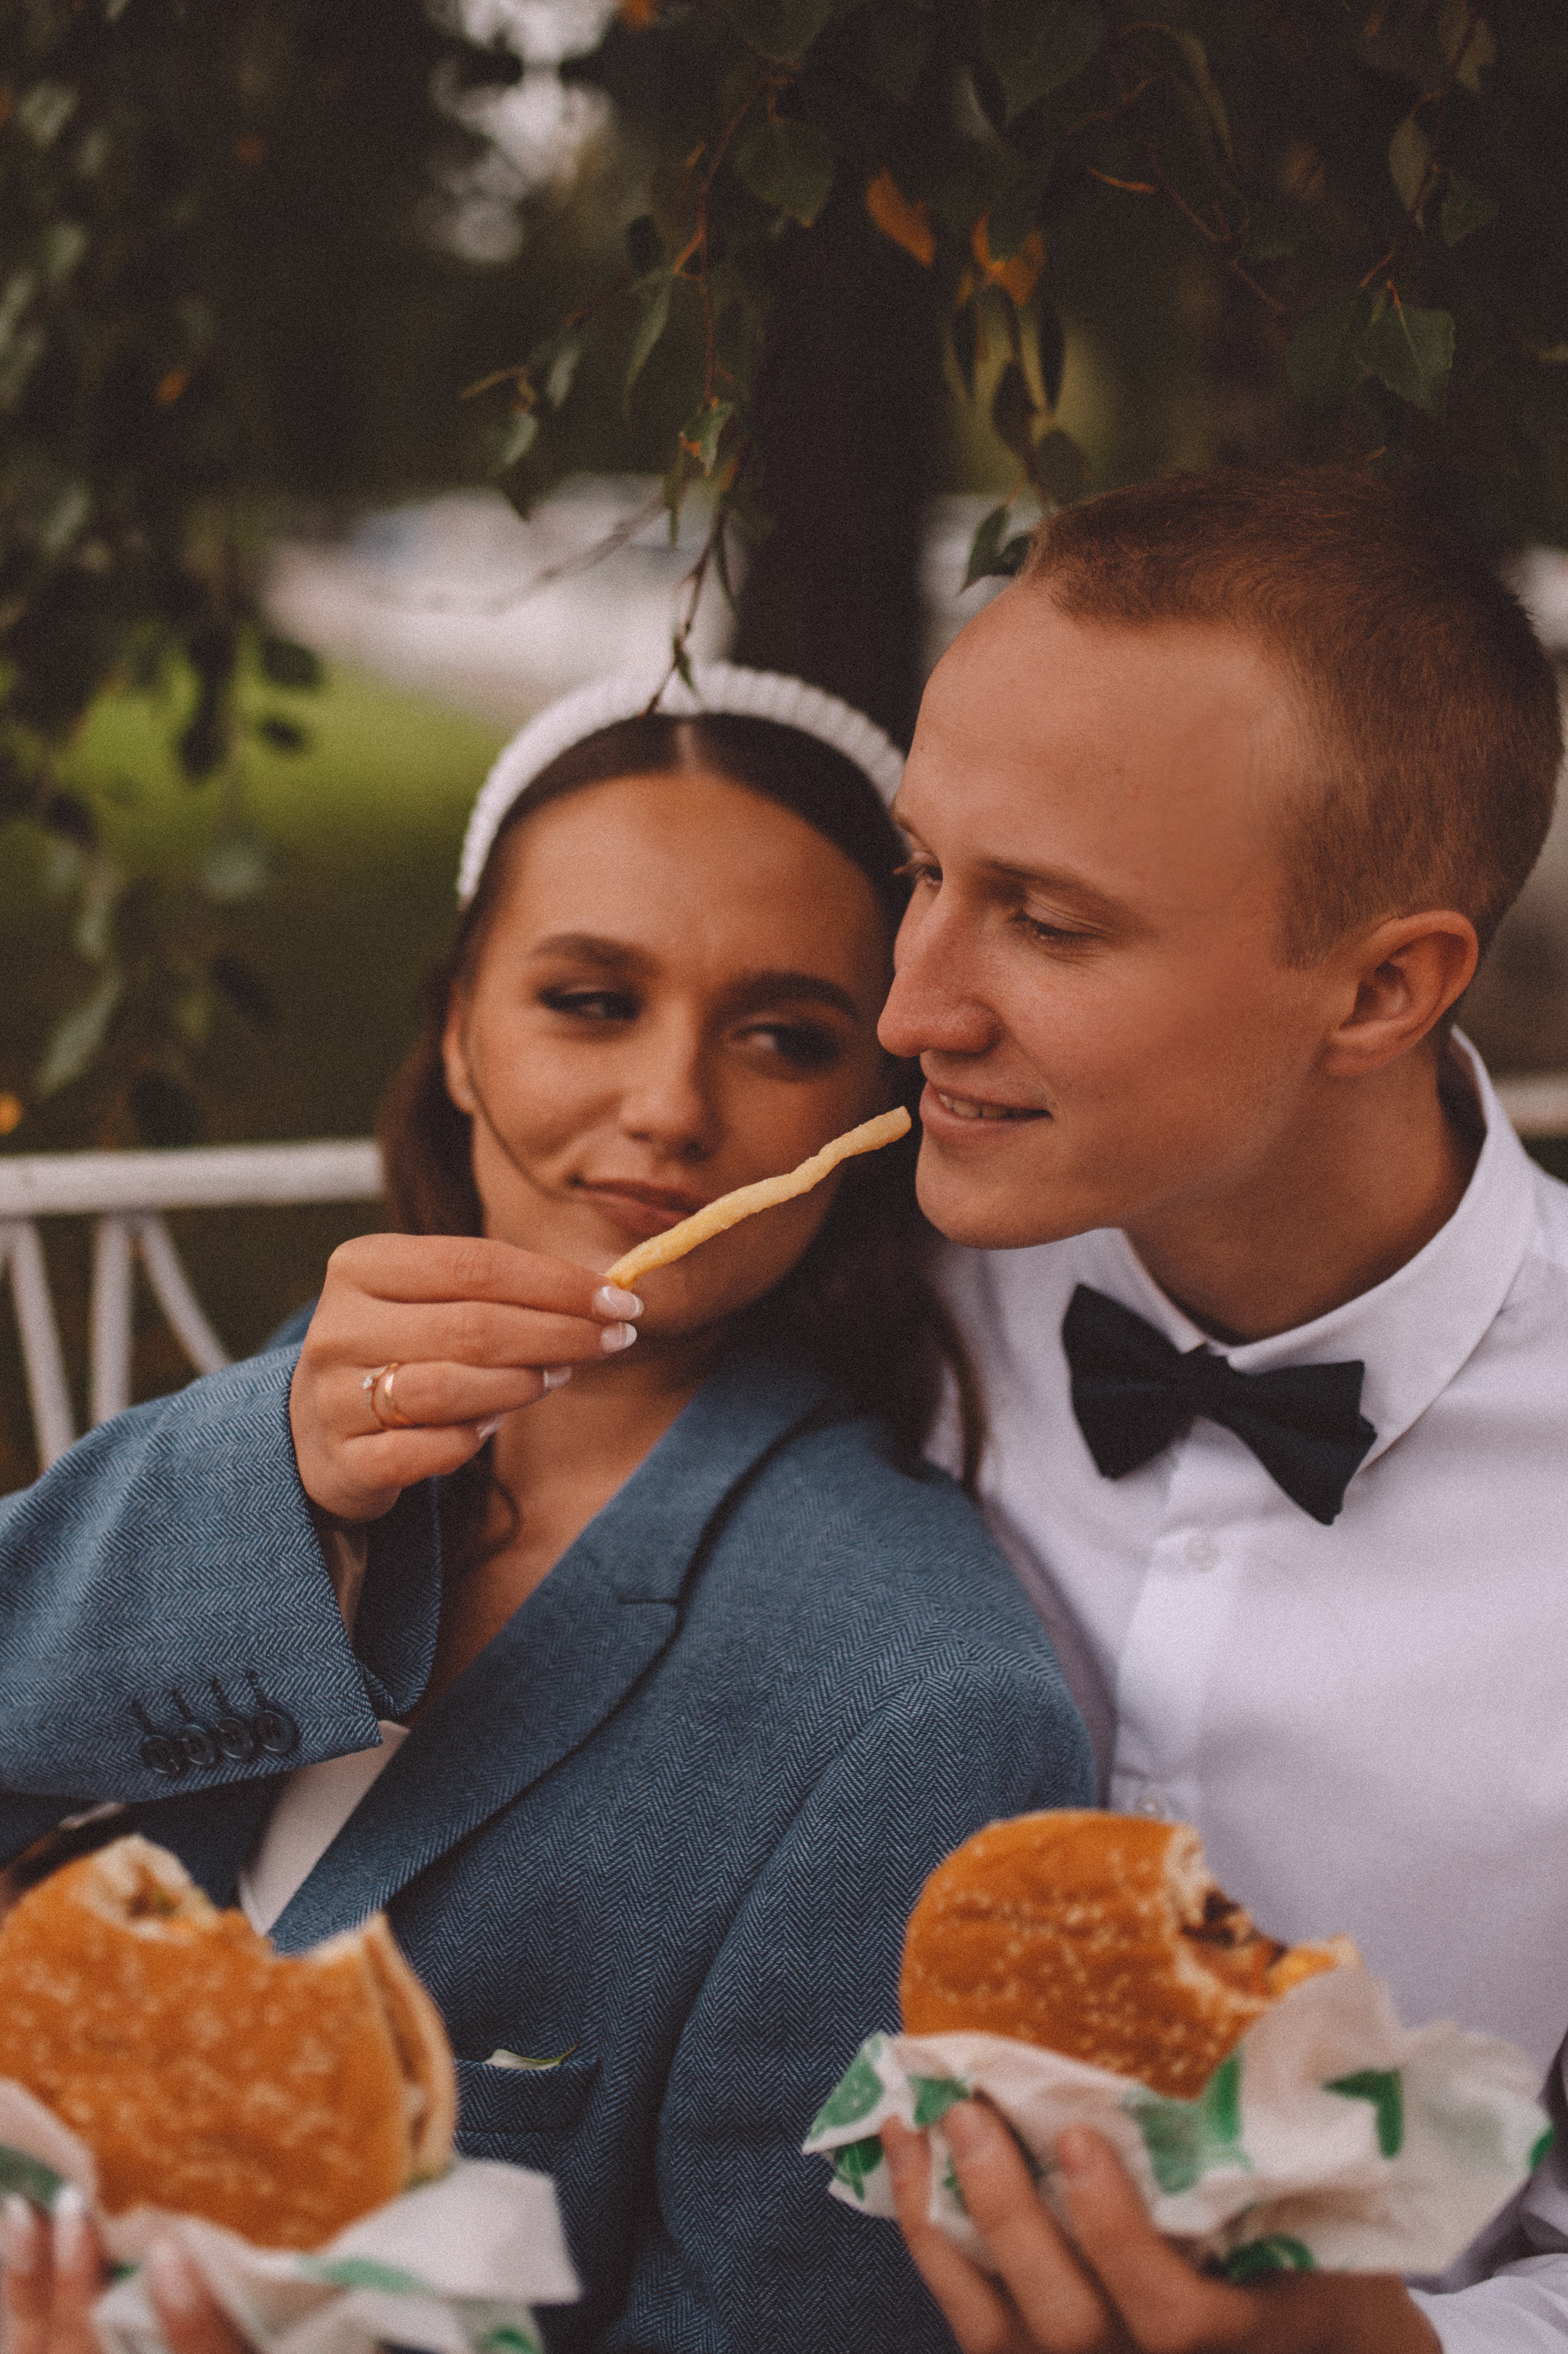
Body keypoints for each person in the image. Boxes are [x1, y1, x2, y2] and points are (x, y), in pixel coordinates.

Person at [0, 663, 1093, 2354]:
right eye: (590, 1000)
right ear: (458, 1033)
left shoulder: (927, 1714)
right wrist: (263, 1479)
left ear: (873, 1114)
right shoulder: (271, 1426)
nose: (669, 1108)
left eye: (785, 1037)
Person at [874, 465, 1568, 2351]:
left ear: (1383, 989)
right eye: (922, 872)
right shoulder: (848, 1284)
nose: (911, 1010)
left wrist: (1397, 2349)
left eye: (1047, 922)